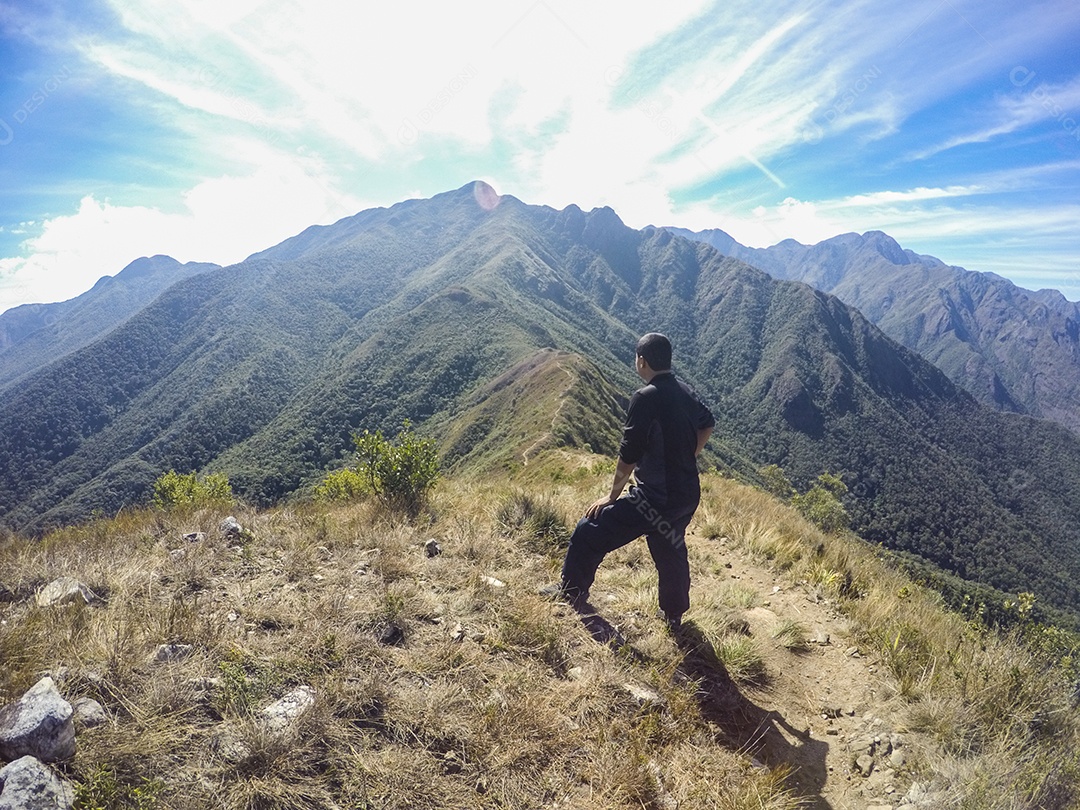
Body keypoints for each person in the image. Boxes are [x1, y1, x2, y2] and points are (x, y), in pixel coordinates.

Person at [547, 332, 715, 630]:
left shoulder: (644, 397)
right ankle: (674, 616)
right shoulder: (686, 390)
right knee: (670, 546)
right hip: (686, 493)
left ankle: (571, 592)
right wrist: (690, 454)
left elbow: (628, 455)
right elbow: (708, 422)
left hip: (654, 499)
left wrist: (611, 497)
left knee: (590, 529)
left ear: (641, 361)